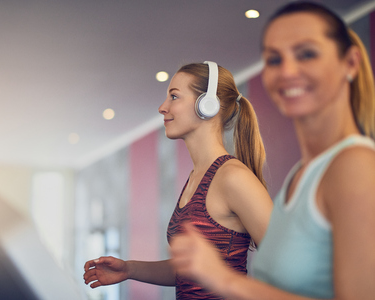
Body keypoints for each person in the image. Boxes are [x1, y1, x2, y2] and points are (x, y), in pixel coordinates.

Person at [169, 2, 375, 300]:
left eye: (307, 54)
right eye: (274, 59)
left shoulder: (353, 165)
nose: (287, 71)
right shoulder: (299, 177)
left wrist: (224, 281)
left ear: (351, 63)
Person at [83, 61, 273, 299]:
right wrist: (129, 269)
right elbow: (190, 273)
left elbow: (289, 268)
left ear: (207, 105)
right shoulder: (197, 178)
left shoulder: (233, 177)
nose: (163, 108)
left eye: (174, 96)